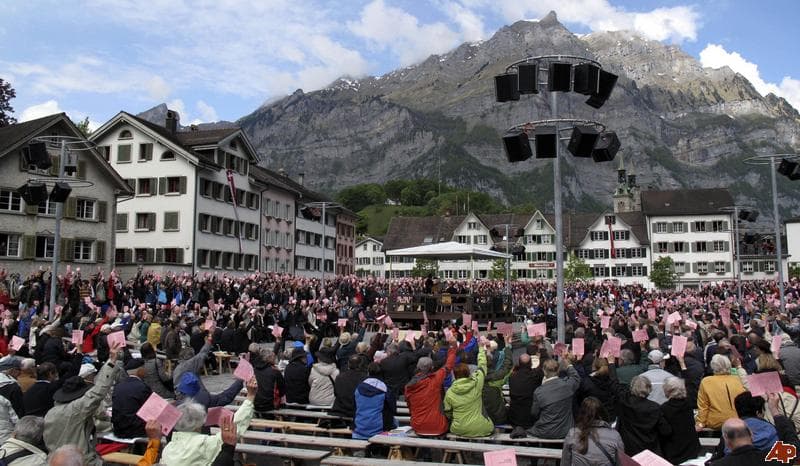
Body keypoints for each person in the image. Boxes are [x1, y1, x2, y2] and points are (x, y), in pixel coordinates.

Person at [43, 341, 123, 465]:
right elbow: (98, 391)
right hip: (80, 461)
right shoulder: (76, 409)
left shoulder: (51, 412)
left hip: (56, 460)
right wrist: (111, 361)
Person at [161, 377, 257, 466]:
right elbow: (235, 424)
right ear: (200, 424)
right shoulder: (205, 444)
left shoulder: (167, 449)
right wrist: (250, 396)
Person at [607, 364, 672, 456]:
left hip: (629, 448)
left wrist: (611, 364)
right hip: (649, 449)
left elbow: (614, 384)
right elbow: (666, 431)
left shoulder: (625, 401)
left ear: (632, 387)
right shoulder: (654, 407)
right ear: (649, 389)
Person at [405, 334, 456, 436]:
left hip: (418, 426)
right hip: (438, 426)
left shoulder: (408, 386)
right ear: (431, 368)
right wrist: (452, 347)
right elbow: (449, 365)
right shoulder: (435, 379)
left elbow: (410, 407)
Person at [443, 344, 493, 438]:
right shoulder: (477, 383)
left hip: (459, 428)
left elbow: (448, 411)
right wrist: (481, 349)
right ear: (468, 373)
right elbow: (482, 366)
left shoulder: (450, 392)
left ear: (455, 375)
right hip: (481, 427)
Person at [528, 354, 581, 439]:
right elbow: (576, 377)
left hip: (545, 431)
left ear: (544, 371)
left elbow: (534, 413)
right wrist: (569, 365)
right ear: (558, 370)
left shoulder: (539, 392)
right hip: (565, 431)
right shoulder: (567, 385)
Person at [562, 397, 624, 465]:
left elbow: (565, 463)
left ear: (581, 414)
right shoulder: (615, 436)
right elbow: (621, 463)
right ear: (602, 413)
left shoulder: (572, 434)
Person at [696, 354, 746, 430]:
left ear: (713, 367)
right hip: (738, 420)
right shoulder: (737, 380)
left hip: (716, 422)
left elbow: (703, 406)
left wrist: (700, 424)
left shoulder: (706, 382)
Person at [659, 376, 701, 464]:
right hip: (692, 449)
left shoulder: (664, 408)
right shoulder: (688, 404)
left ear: (668, 391)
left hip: (674, 452)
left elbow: (665, 432)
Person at [352, 364, 397, 443]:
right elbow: (393, 409)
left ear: (368, 372)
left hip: (359, 428)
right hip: (379, 430)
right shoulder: (385, 389)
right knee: (396, 422)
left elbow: (354, 407)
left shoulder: (358, 388)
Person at [111, 358, 152, 438]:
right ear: (140, 370)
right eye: (144, 368)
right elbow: (150, 410)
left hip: (118, 429)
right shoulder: (142, 387)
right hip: (136, 430)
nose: (146, 370)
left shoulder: (118, 386)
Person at [508, 353, 542, 437]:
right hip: (530, 418)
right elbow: (542, 368)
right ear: (530, 363)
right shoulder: (534, 376)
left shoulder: (512, 377)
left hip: (515, 418)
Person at [482, 334, 513, 425]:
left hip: (483, 418)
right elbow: (507, 364)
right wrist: (507, 344)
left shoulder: (475, 378)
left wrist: (483, 348)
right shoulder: (497, 377)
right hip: (498, 417)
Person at [330, 355, 368, 422]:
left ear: (348, 364)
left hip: (341, 409)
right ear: (360, 364)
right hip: (356, 409)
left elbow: (336, 393)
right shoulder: (365, 378)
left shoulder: (340, 377)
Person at [251, 345, 285, 413]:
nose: (275, 359)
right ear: (269, 358)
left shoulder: (254, 370)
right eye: (273, 357)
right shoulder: (275, 371)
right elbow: (282, 390)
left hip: (255, 403)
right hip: (270, 405)